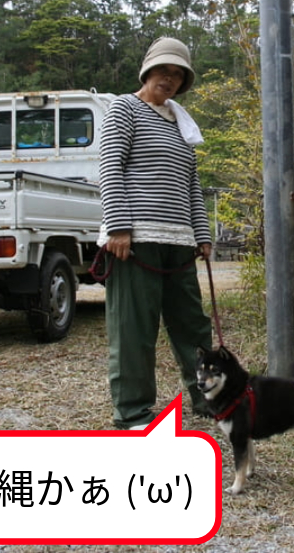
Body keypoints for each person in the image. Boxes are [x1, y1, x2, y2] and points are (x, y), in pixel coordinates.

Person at [98, 37, 214, 429]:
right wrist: (118, 227)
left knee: (192, 325)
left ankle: (207, 395)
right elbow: (110, 167)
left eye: (178, 75)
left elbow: (191, 185)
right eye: (164, 70)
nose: (170, 79)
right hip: (136, 240)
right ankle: (133, 411)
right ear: (147, 71)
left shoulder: (182, 124)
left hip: (179, 241)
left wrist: (202, 233)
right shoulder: (124, 108)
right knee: (134, 329)